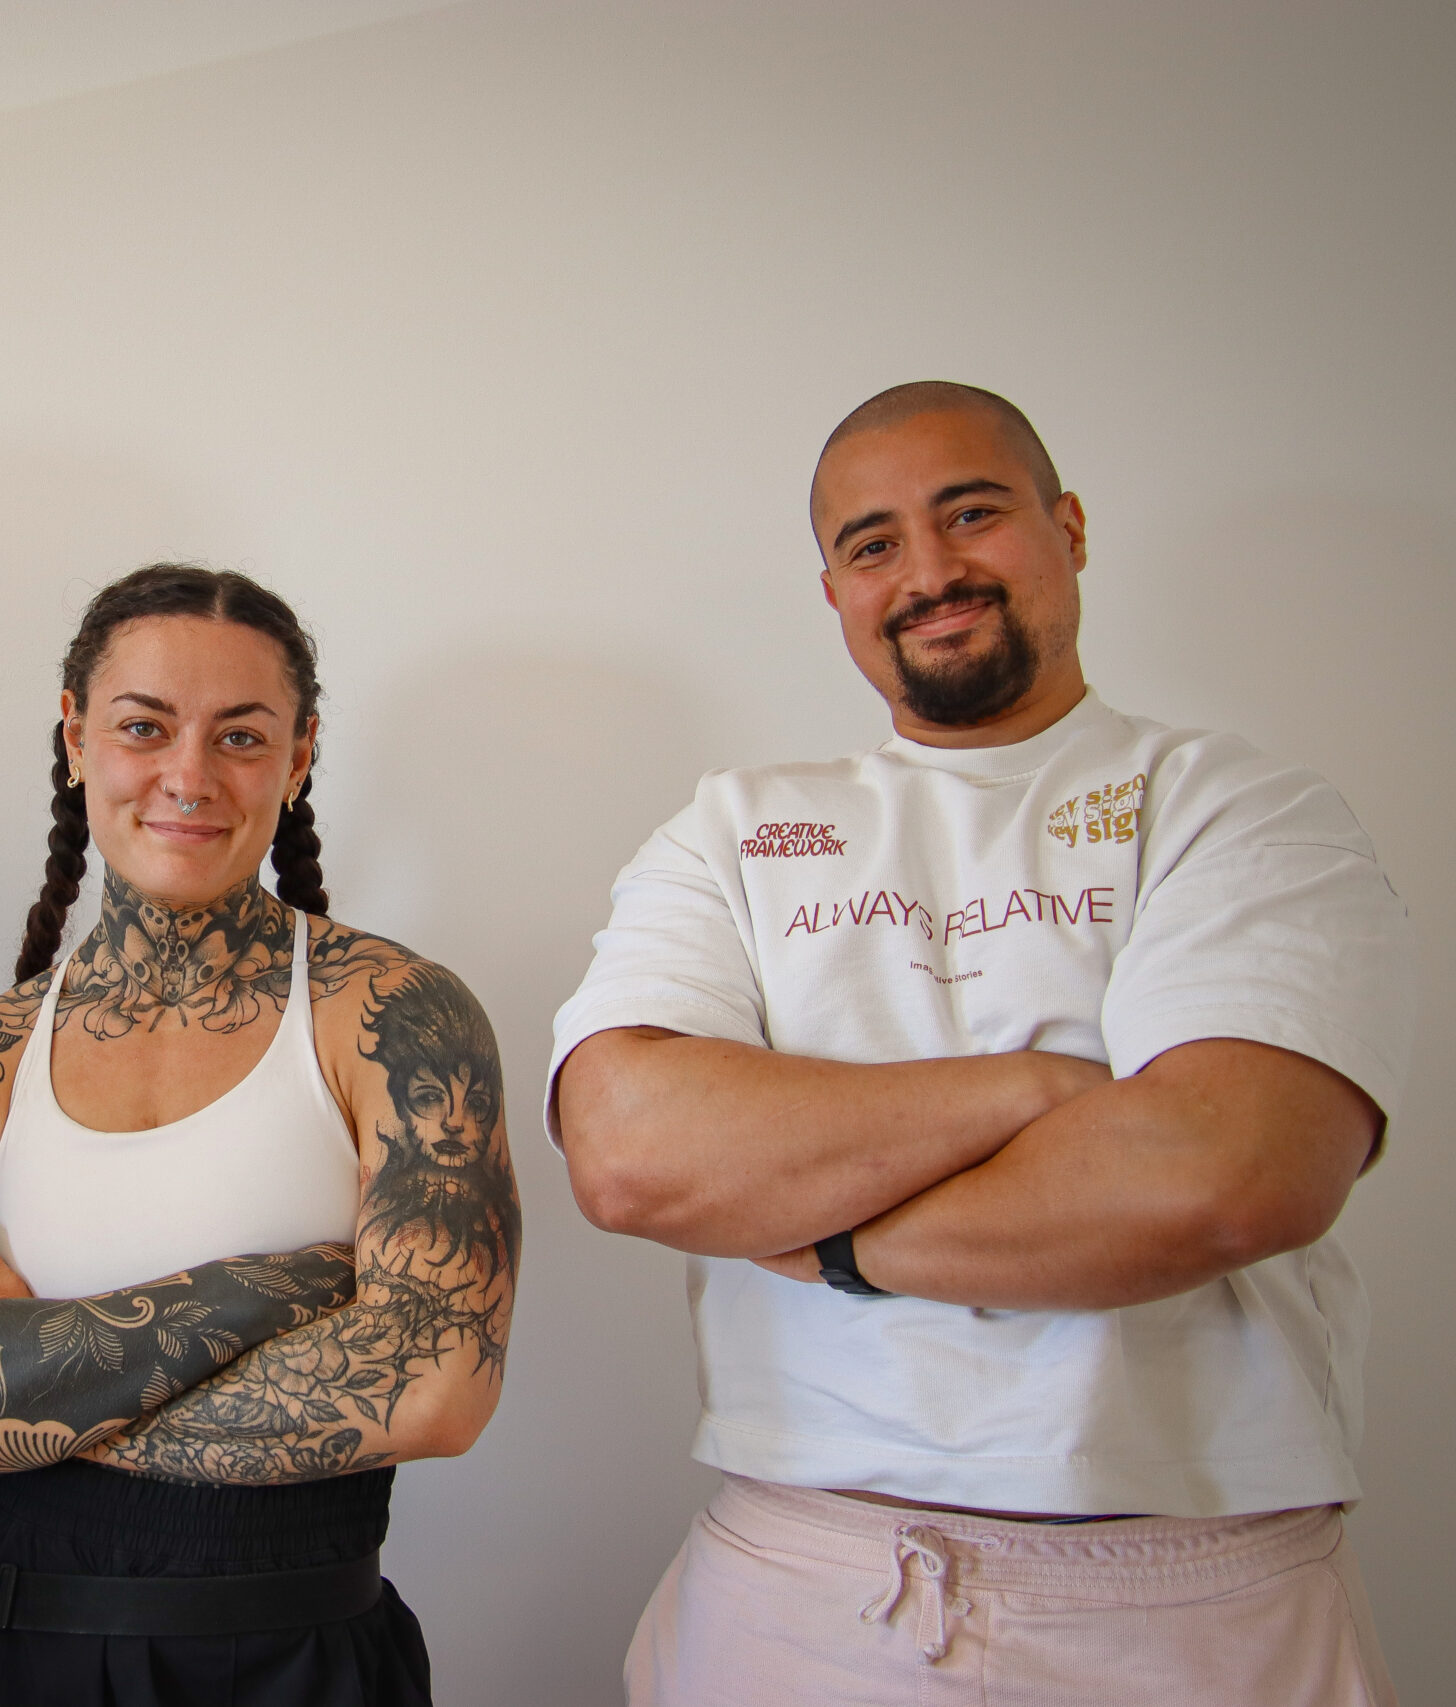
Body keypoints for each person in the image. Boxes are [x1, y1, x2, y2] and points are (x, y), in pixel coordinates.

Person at [549, 381, 1418, 1704]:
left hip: (1193, 1590)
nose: (930, 572)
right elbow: (629, 1152)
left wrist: (830, 1243)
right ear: (834, 592)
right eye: (874, 543)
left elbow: (1224, 1176)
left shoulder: (1236, 807)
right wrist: (1041, 1089)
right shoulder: (734, 830)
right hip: (802, 1580)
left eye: (971, 514)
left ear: (1068, 527)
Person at [0, 564, 520, 1706]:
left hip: (294, 1659)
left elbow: (433, 1390)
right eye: (144, 727)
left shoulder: (393, 1017)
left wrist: (31, 1373)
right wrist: (282, 1290)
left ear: (299, 756)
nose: (188, 777)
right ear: (76, 738)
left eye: (240, 737)